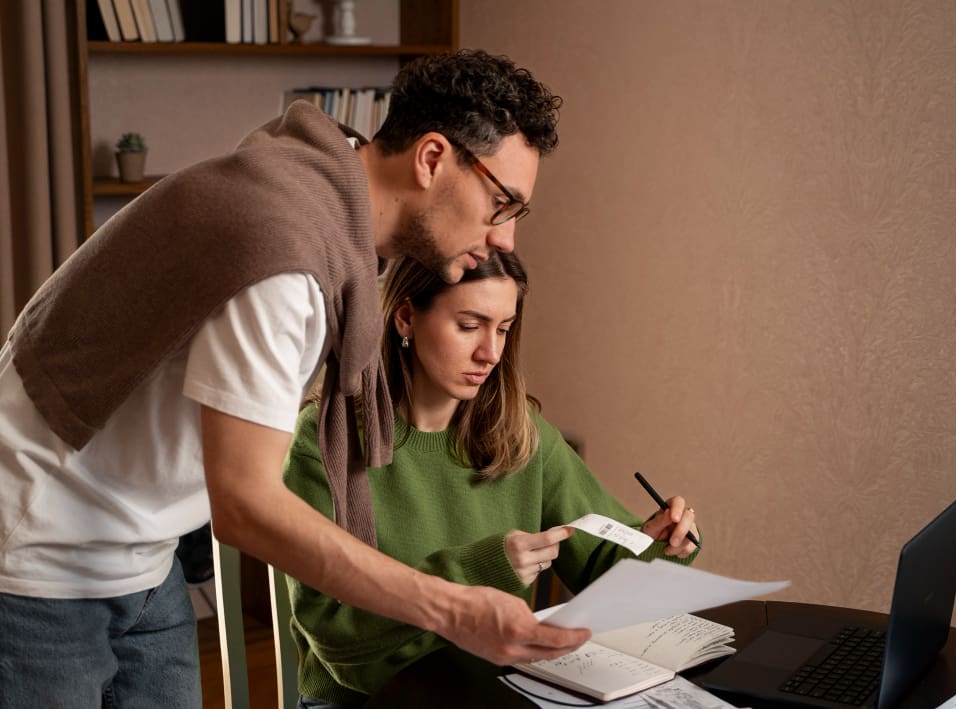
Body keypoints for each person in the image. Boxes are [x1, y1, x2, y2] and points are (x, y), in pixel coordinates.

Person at [0, 50, 589, 707]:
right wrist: (451, 608)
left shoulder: (323, 172)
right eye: (500, 202)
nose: (504, 238)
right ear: (430, 159)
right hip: (40, 549)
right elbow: (247, 503)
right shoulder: (288, 257)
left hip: (144, 547)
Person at [283, 252, 702, 707]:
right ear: (406, 317)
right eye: (469, 326)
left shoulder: (521, 432)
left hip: (492, 689)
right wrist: (480, 569)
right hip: (365, 699)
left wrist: (662, 544)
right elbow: (333, 635)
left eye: (503, 329)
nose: (491, 353)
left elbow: (606, 570)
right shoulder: (328, 442)